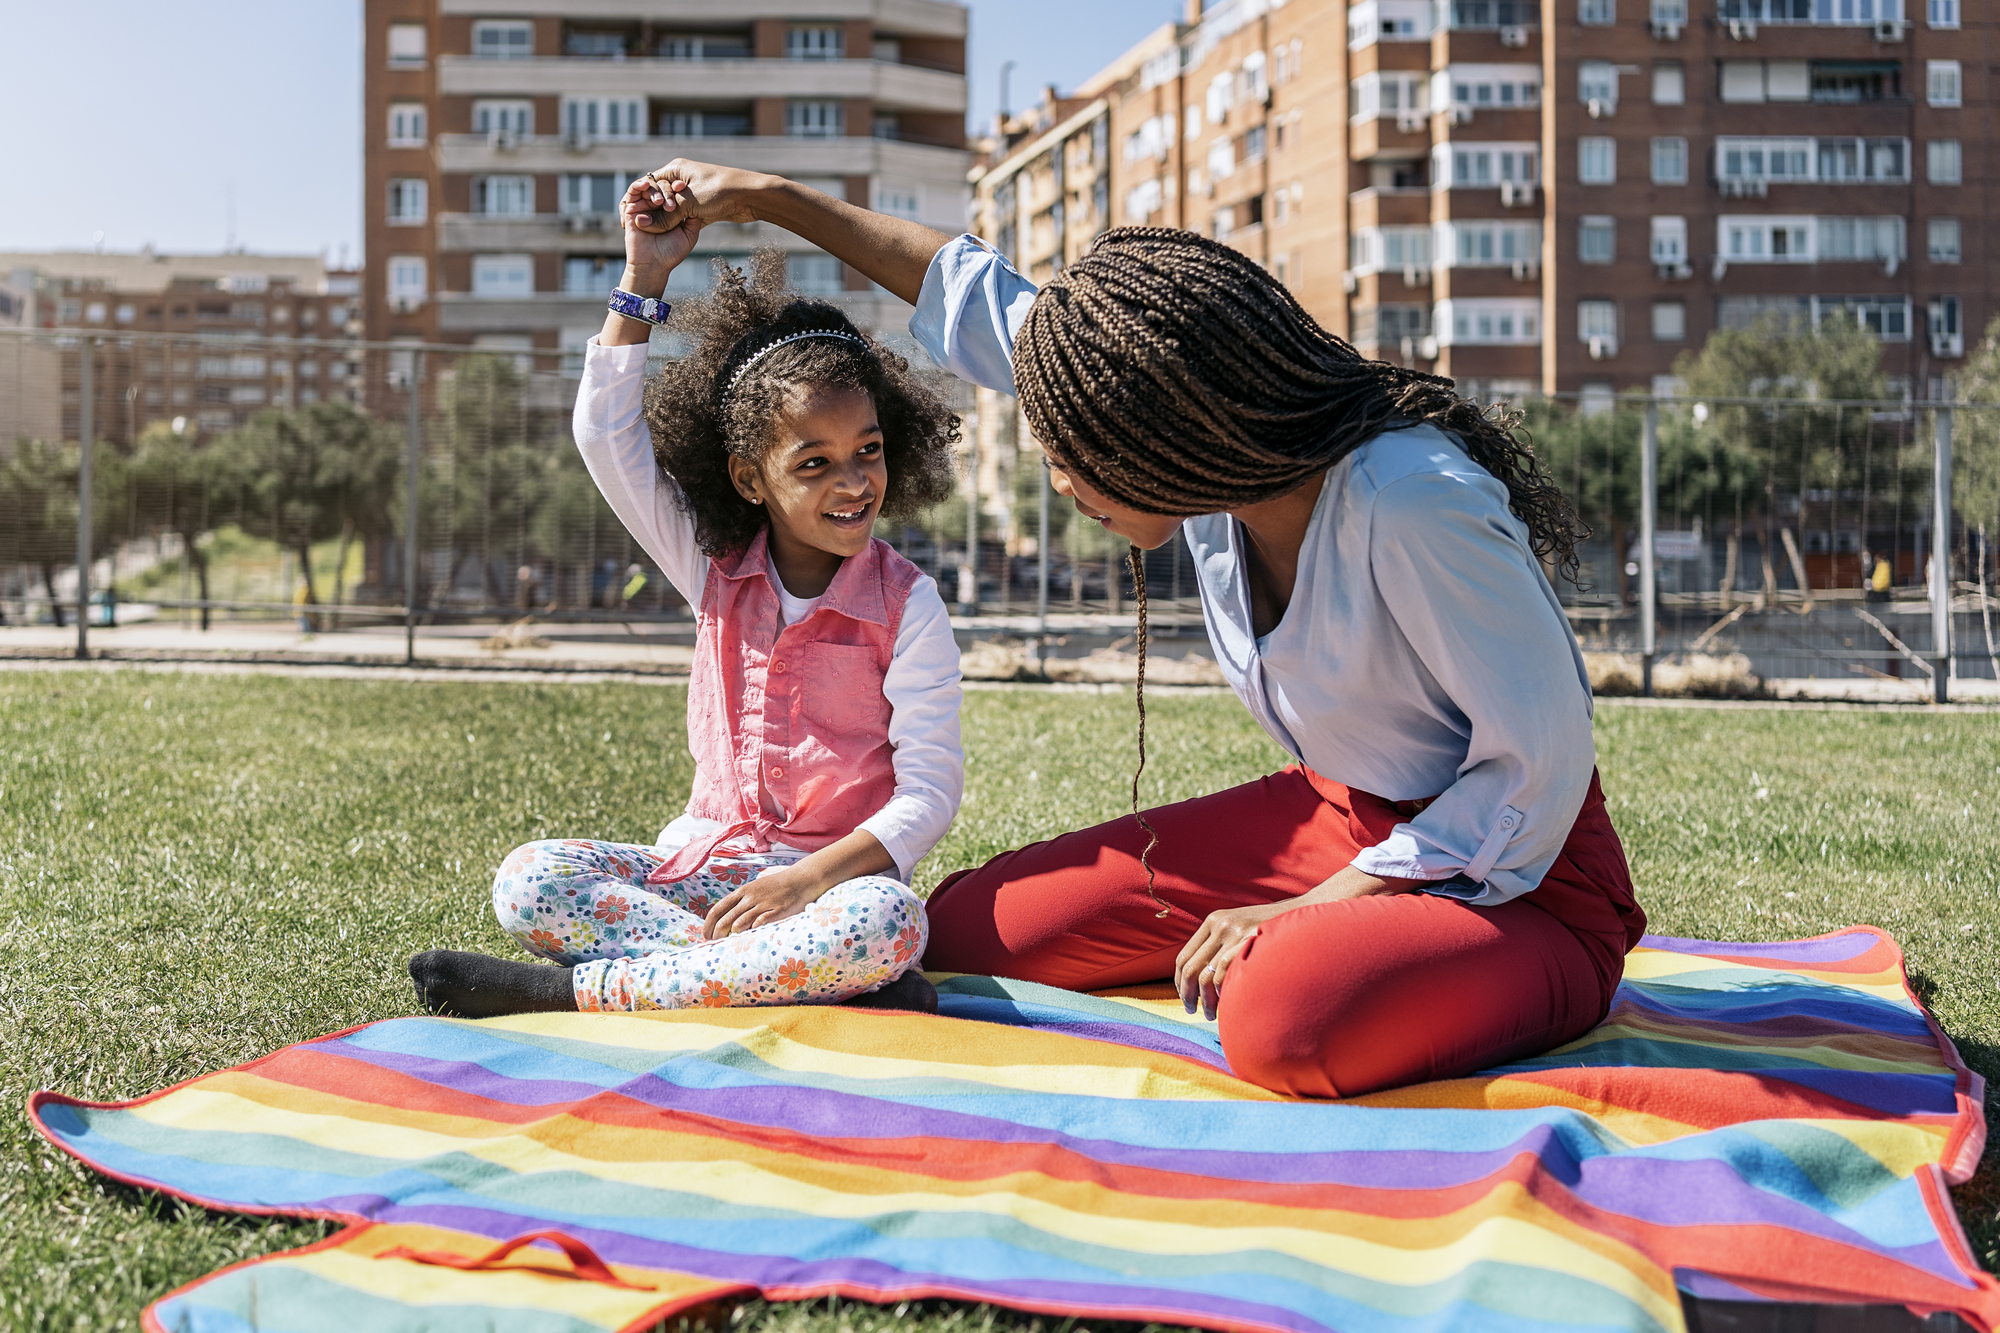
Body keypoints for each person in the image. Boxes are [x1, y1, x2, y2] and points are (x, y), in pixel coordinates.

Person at [618, 162, 1646, 1097]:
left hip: (1519, 878)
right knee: (968, 927)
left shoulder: (1413, 501)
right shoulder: (1178, 427)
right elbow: (968, 290)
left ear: (1153, 431)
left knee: (1281, 1019)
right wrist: (764, 199)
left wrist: (1319, 907)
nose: (1063, 479)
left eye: (1070, 454)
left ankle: (1366, 967)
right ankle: (1313, 948)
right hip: (1337, 814)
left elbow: (1537, 771)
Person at [410, 180, 966, 1019]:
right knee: (529, 878)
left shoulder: (909, 604)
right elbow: (604, 436)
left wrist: (802, 883)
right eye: (813, 463)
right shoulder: (710, 568)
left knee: (887, 921)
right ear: (749, 478)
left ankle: (575, 994)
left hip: (834, 886)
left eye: (869, 451)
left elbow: (928, 794)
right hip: (701, 874)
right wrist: (645, 275)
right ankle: (805, 981)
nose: (854, 482)